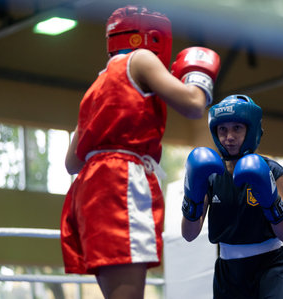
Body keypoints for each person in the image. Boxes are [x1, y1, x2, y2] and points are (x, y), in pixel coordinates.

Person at [60, 5, 220, 299]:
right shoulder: (141, 59)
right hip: (119, 182)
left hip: (89, 191)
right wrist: (198, 75)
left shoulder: (97, 85)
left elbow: (71, 163)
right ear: (152, 36)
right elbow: (194, 104)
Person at [181, 94, 283, 298]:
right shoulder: (210, 175)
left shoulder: (271, 170)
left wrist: (271, 202)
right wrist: (192, 196)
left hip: (271, 266)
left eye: (237, 128)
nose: (229, 136)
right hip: (229, 272)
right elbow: (189, 234)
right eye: (223, 129)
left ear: (250, 130)